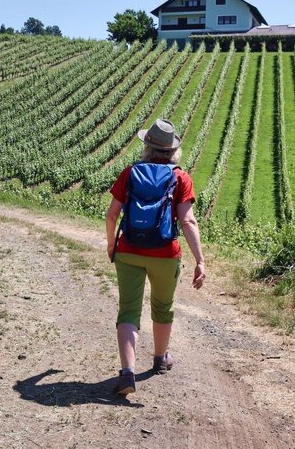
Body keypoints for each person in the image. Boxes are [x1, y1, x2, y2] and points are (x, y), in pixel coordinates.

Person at [105, 119, 206, 395]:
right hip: (165, 254)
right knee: (163, 307)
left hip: (128, 251)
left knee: (128, 309)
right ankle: (160, 359)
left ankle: (127, 373)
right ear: (173, 151)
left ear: (147, 147)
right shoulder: (180, 177)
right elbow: (188, 221)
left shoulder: (130, 173)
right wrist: (200, 260)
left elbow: (112, 214)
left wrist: (111, 245)